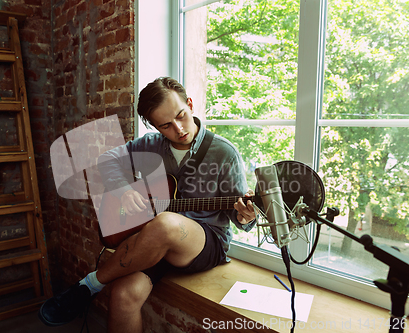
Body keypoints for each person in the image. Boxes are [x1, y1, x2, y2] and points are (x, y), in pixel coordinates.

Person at [38, 77, 256, 332]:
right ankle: (95, 287)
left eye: (181, 115)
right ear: (155, 126)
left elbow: (240, 215)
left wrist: (246, 214)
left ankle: (89, 285)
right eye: (165, 125)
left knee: (164, 223)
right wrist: (124, 191)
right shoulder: (150, 146)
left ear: (190, 104)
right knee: (122, 295)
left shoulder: (224, 152)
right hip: (157, 240)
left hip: (204, 244)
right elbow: (107, 159)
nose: (178, 128)